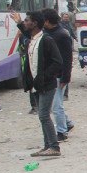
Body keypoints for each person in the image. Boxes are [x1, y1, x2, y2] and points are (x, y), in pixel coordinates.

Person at [19, 10, 63, 157]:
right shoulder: (31, 41)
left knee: (44, 115)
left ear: (35, 23)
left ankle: (54, 147)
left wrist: (44, 77)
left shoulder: (46, 40)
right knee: (42, 116)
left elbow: (57, 62)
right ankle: (47, 146)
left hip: (46, 85)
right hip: (36, 85)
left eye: (26, 21)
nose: (24, 23)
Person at [43, 9, 75, 141]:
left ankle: (62, 132)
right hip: (52, 74)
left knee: (56, 105)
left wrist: (66, 77)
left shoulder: (62, 35)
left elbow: (68, 58)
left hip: (59, 75)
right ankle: (67, 123)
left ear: (46, 21)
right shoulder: (47, 33)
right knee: (54, 104)